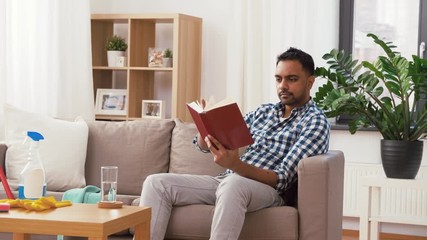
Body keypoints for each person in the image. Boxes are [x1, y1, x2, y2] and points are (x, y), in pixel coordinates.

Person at [139, 47, 330, 240]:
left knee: (233, 183)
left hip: (267, 191)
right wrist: (206, 132)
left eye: (292, 79)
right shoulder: (264, 112)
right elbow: (216, 139)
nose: (283, 85)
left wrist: (234, 164)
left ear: (310, 82)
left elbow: (281, 179)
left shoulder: (314, 121)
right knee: (156, 183)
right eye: (278, 79)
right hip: (227, 180)